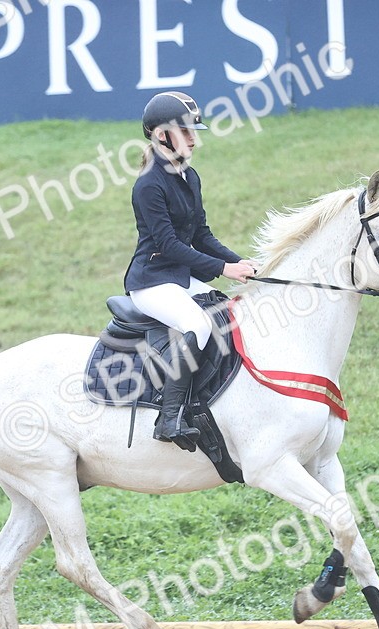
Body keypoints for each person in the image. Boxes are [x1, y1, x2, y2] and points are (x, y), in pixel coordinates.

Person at [123, 91, 258, 449]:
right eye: (186, 131)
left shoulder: (189, 177)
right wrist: (223, 268)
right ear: (160, 134)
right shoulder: (148, 184)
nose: (194, 139)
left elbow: (201, 234)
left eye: (194, 131)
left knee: (229, 313)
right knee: (197, 325)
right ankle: (168, 419)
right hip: (152, 282)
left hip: (180, 278)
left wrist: (240, 262)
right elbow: (169, 245)